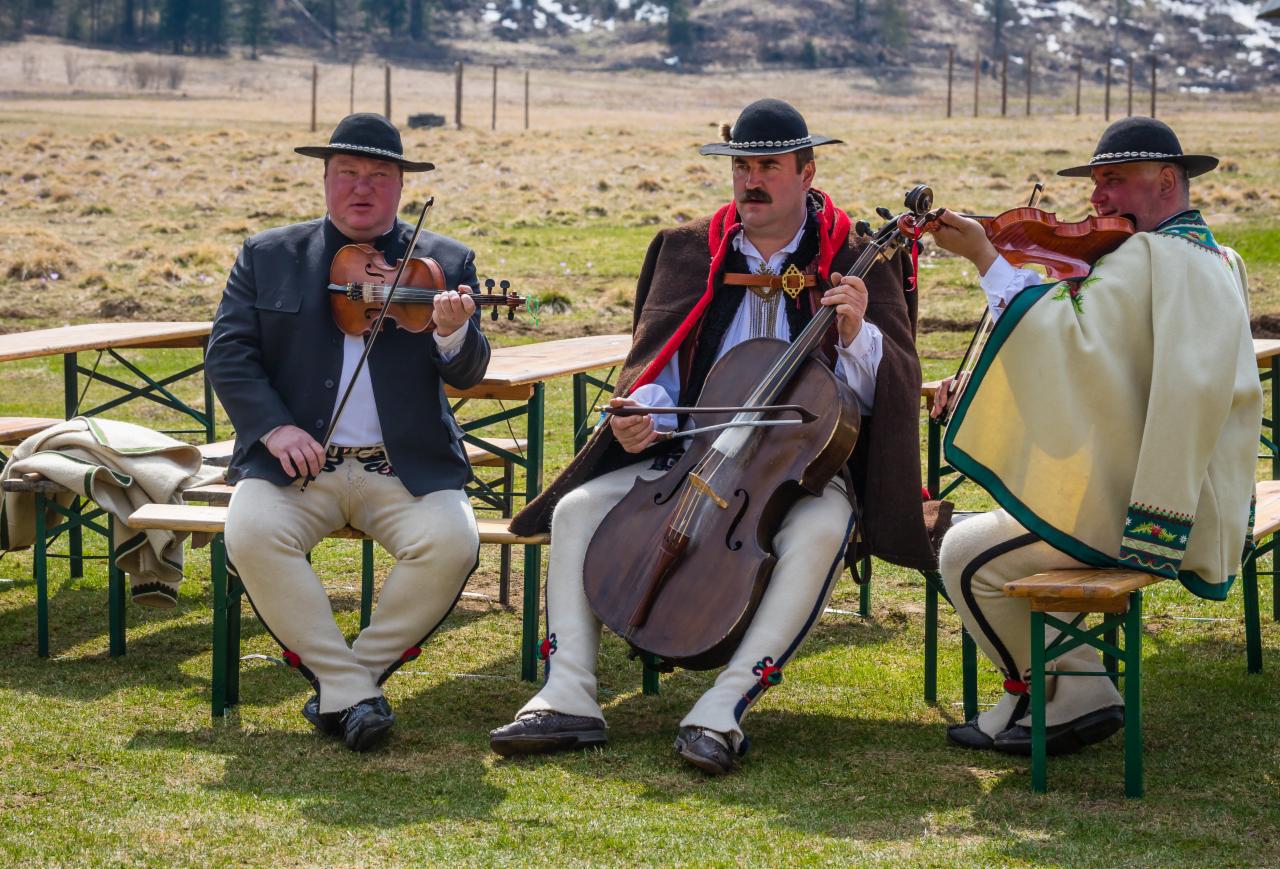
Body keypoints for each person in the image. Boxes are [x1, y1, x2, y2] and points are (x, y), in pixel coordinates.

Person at [492, 99, 941, 774]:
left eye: (768, 166)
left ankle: (724, 704)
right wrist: (643, 413)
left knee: (819, 531)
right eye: (742, 166)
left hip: (802, 472)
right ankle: (569, 692)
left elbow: (892, 388)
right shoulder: (685, 249)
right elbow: (658, 363)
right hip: (692, 456)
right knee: (580, 507)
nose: (751, 180)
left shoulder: (856, 259)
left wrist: (856, 336)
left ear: (807, 171)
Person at [925, 116, 1261, 755]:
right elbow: (1123, 372)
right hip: (1202, 500)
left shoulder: (1149, 256)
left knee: (966, 555)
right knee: (1027, 529)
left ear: (1167, 180)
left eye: (1114, 181)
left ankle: (1074, 690)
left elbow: (1067, 346)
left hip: (1151, 514)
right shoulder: (1213, 256)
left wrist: (984, 257)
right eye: (1095, 182)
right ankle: (1049, 693)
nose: (1097, 198)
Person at [205, 113, 491, 752]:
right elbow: (229, 353)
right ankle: (353, 692)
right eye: (347, 174)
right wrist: (274, 428)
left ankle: (347, 684)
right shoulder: (269, 255)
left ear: (399, 187)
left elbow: (470, 373)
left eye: (378, 177)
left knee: (452, 543)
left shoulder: (442, 261)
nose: (361, 189)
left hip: (403, 466)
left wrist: (451, 330)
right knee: (250, 533)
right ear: (326, 180)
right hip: (296, 467)